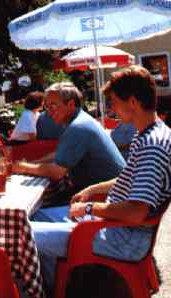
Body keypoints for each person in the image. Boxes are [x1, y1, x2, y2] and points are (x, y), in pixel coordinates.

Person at [31, 65, 171, 296]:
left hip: (120, 238)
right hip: (113, 225)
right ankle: (55, 285)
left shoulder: (151, 146)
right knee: (37, 216)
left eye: (114, 102)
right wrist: (92, 189)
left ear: (133, 102)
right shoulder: (151, 132)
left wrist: (89, 207)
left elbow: (135, 212)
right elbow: (129, 178)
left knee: (20, 233)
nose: (111, 108)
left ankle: (44, 290)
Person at [13, 82, 125, 207]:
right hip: (102, 193)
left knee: (34, 213)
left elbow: (56, 172)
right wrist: (33, 163)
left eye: (53, 106)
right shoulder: (81, 120)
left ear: (71, 104)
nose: (49, 113)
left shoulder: (78, 127)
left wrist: (24, 167)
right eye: (46, 107)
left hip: (106, 200)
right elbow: (60, 153)